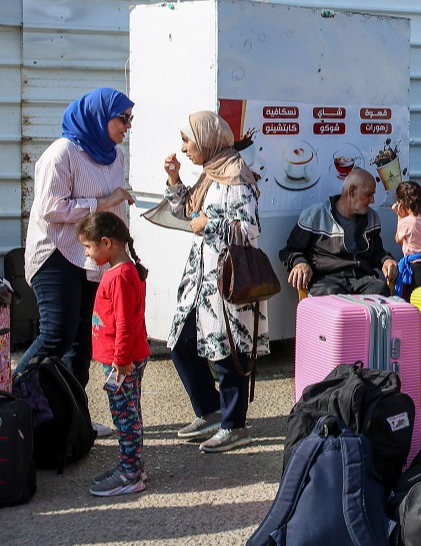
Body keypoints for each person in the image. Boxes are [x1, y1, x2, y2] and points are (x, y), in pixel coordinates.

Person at [18, 88, 135, 438]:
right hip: (55, 253)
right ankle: (11, 399)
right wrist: (100, 202)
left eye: (131, 119)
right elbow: (50, 208)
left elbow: (114, 208)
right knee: (56, 334)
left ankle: (71, 417)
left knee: (82, 341)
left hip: (91, 256)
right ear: (100, 117)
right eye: (122, 118)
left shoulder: (115, 156)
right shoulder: (62, 153)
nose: (128, 126)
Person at [164, 111, 270, 454]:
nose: (183, 149)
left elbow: (249, 229)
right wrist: (174, 181)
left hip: (226, 280)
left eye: (187, 141)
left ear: (207, 140)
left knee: (228, 351)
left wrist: (208, 225)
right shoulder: (211, 173)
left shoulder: (236, 176)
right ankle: (210, 412)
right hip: (201, 278)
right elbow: (186, 213)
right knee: (182, 343)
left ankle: (234, 425)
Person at [78, 212, 149, 496]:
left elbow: (124, 323)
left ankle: (130, 473)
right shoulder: (121, 271)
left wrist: (120, 361)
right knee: (130, 412)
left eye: (88, 247)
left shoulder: (120, 276)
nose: (87, 253)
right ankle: (131, 464)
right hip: (125, 360)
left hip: (123, 363)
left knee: (125, 416)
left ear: (106, 242)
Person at [281, 168, 398, 297]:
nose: (372, 201)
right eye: (369, 194)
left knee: (381, 291)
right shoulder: (315, 215)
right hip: (326, 280)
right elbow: (290, 250)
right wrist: (299, 263)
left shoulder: (372, 217)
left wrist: (386, 260)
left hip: (362, 278)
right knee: (333, 298)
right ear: (352, 191)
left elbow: (377, 252)